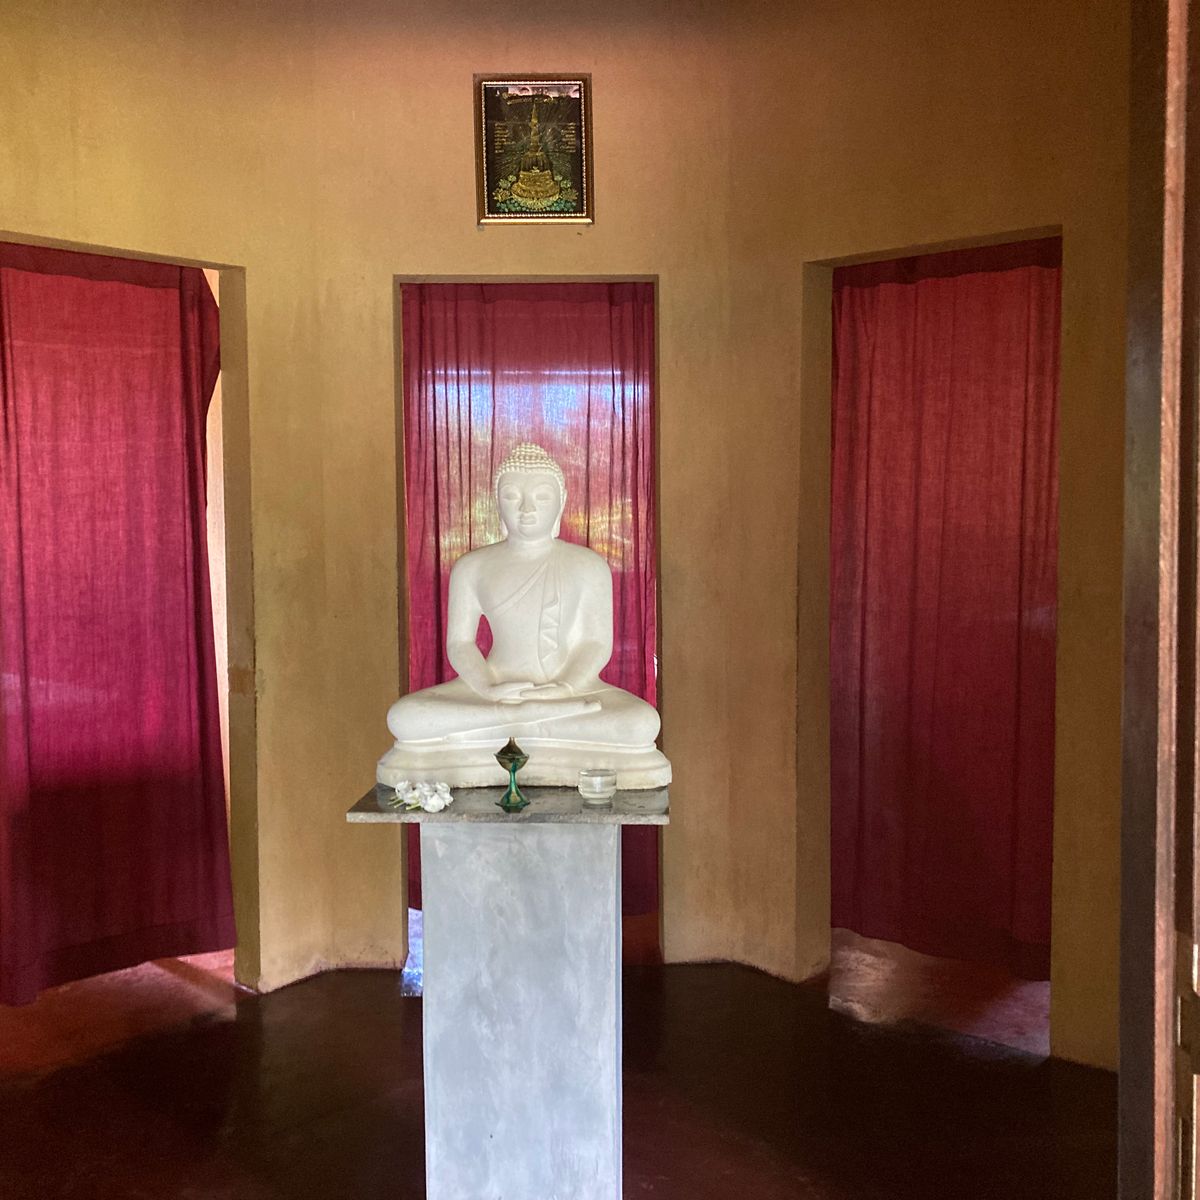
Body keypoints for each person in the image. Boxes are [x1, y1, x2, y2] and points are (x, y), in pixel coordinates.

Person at [377, 442, 671, 788]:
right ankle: (517, 719)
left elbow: (595, 643)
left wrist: (564, 688)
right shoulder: (472, 567)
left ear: (561, 501)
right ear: (496, 502)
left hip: (571, 694)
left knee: (640, 723)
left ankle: (514, 723)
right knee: (405, 717)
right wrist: (489, 688)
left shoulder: (588, 565)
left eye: (541, 497)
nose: (526, 508)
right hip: (490, 693)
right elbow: (460, 643)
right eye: (512, 496)